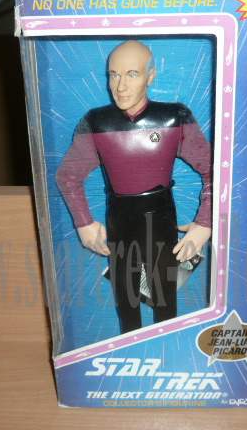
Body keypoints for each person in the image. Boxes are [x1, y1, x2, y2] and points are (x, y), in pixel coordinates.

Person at [56, 40, 212, 334]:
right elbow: (68, 175)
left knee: (164, 294)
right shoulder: (97, 122)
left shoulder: (174, 117)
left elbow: (215, 170)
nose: (120, 86)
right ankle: (130, 342)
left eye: (132, 74)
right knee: (126, 296)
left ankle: (165, 344)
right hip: (120, 219)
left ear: (150, 76)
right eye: (113, 75)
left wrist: (205, 223)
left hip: (161, 218)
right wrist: (84, 223)